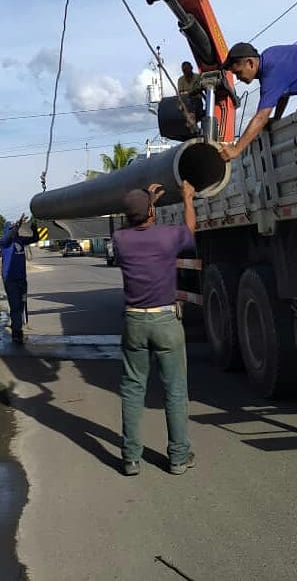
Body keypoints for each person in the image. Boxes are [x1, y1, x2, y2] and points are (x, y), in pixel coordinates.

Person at [112, 180, 196, 476]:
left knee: (133, 390)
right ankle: (178, 457)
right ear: (151, 212)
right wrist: (187, 199)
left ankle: (131, 458)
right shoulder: (168, 237)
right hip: (165, 321)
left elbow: (135, 226)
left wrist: (146, 203)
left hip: (134, 321)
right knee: (174, 390)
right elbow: (190, 233)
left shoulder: (120, 240)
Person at [0, 214, 39, 344]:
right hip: (10, 280)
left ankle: (17, 326)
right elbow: (9, 236)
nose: (14, 231)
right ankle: (17, 332)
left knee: (21, 305)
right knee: (15, 306)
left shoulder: (20, 240)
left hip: (22, 280)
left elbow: (35, 238)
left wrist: (35, 227)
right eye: (11, 229)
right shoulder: (5, 243)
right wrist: (17, 225)